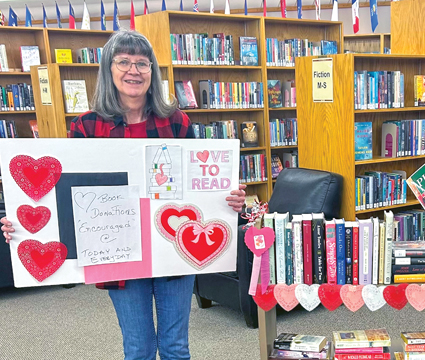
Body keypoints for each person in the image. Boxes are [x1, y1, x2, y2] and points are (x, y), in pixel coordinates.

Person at [2, 31, 247, 360]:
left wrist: (228, 200)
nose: (134, 70)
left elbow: (198, 184)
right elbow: (67, 194)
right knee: (138, 348)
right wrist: (22, 222)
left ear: (152, 71)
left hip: (172, 245)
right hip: (117, 252)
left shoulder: (176, 122)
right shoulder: (86, 127)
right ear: (108, 68)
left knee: (176, 347)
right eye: (124, 61)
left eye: (142, 63)